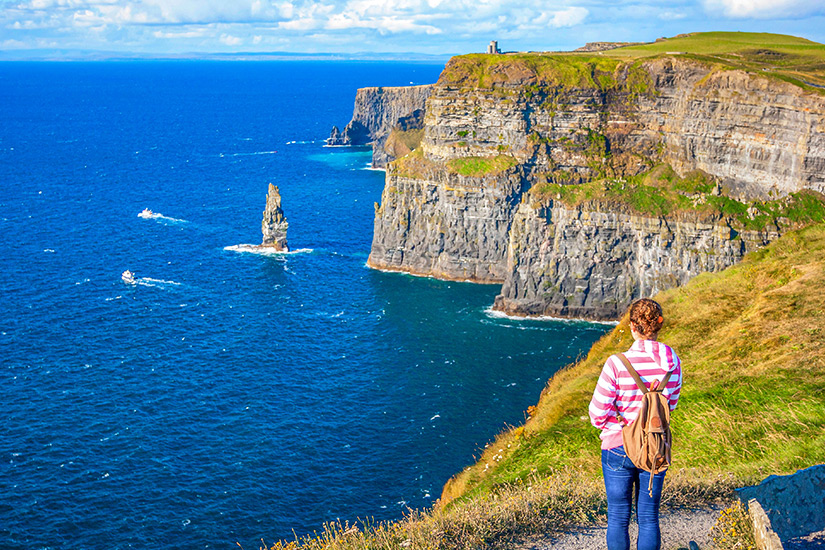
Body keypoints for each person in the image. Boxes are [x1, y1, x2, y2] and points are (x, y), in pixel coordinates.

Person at [588, 298, 682, 550]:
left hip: (618, 444)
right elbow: (669, 404)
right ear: (659, 325)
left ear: (632, 325)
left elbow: (596, 413)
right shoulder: (672, 361)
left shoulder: (617, 363)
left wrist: (617, 421)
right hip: (654, 445)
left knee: (618, 517)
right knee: (649, 517)